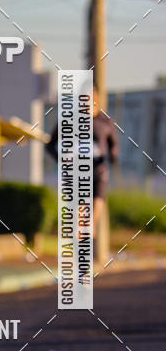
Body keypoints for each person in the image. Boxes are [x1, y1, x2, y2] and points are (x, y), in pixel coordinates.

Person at [47, 86, 119, 240]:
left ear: (95, 100)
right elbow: (50, 144)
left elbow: (113, 143)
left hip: (98, 167)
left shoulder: (105, 121)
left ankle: (90, 227)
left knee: (97, 199)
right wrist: (62, 159)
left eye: (88, 99)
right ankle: (79, 238)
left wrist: (113, 156)